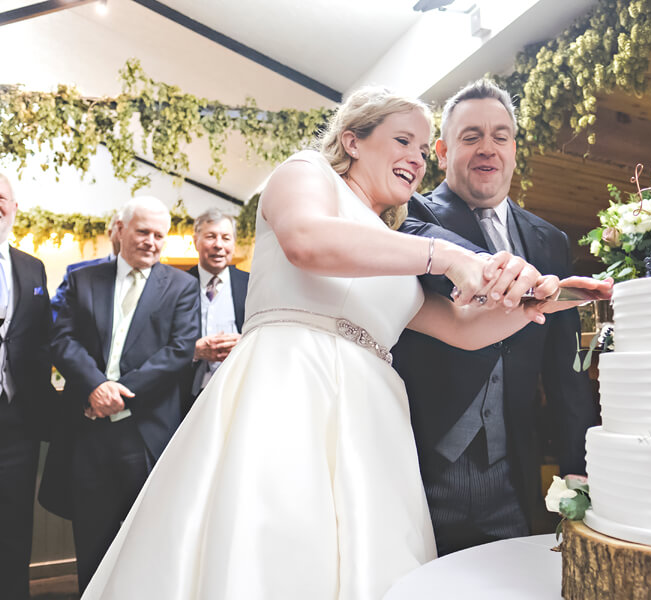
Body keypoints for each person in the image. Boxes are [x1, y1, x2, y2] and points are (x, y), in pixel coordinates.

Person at [77, 87, 611, 599]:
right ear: (353, 140)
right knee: (275, 555)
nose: (417, 158)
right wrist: (444, 257)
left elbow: (462, 329)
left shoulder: (393, 243)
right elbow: (308, 241)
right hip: (288, 391)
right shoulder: (305, 174)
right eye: (403, 140)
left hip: (371, 420)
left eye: (424, 150)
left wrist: (547, 303)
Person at [393, 79, 599, 555]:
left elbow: (565, 369)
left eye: (500, 136)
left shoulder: (549, 240)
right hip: (422, 462)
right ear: (442, 152)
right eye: (471, 137)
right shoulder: (409, 216)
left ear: (513, 148)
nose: (488, 148)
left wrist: (577, 462)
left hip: (512, 471)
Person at [49, 196, 200, 592]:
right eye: (143, 231)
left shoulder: (182, 286)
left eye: (159, 235)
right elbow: (61, 339)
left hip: (146, 435)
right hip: (89, 432)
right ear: (119, 229)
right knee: (93, 546)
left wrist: (120, 393)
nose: (151, 241)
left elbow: (180, 351)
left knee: (150, 546)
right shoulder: (82, 279)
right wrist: (95, 387)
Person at [0, 174, 54, 600]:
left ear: (14, 206)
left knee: (15, 527)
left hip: (17, 423)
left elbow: (43, 341)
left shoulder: (32, 267)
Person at [185, 208, 248, 411]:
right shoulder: (177, 286)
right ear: (196, 241)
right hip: (187, 396)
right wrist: (194, 351)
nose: (218, 245)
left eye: (226, 238)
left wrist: (244, 343)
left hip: (238, 393)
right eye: (210, 236)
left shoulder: (251, 283)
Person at [50, 211, 121, 321]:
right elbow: (55, 314)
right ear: (111, 233)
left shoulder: (155, 278)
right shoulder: (78, 272)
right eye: (122, 229)